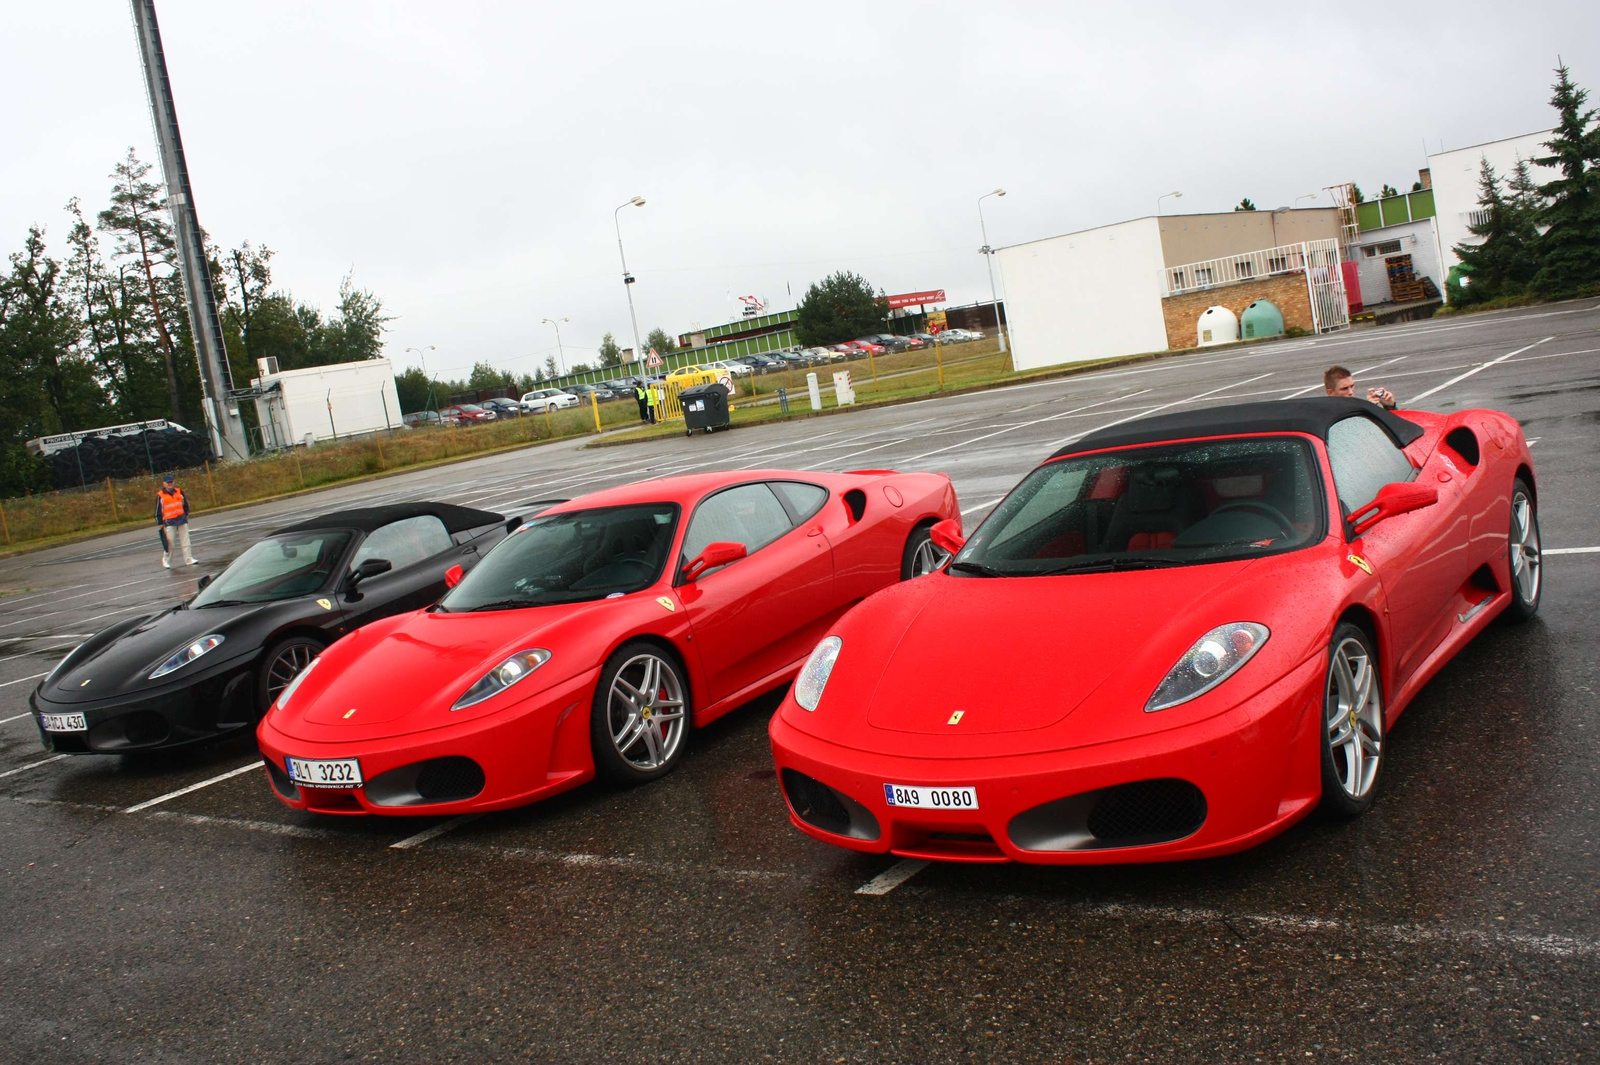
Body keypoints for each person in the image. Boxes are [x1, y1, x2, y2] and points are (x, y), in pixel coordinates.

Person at [155, 473, 197, 569]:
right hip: (169, 521)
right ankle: (166, 560)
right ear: (164, 484)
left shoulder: (179, 491)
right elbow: (158, 510)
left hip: (181, 519)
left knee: (186, 541)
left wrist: (186, 515)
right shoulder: (160, 495)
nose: (170, 484)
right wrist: (160, 522)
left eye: (171, 482)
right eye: (168, 482)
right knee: (170, 542)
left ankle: (189, 559)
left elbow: (185, 504)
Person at [1324, 365, 1397, 410]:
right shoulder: (1328, 413)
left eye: (1352, 386)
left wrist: (1390, 406)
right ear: (1330, 392)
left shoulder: (1356, 406)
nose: (1350, 392)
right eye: (1344, 388)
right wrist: (1368, 408)